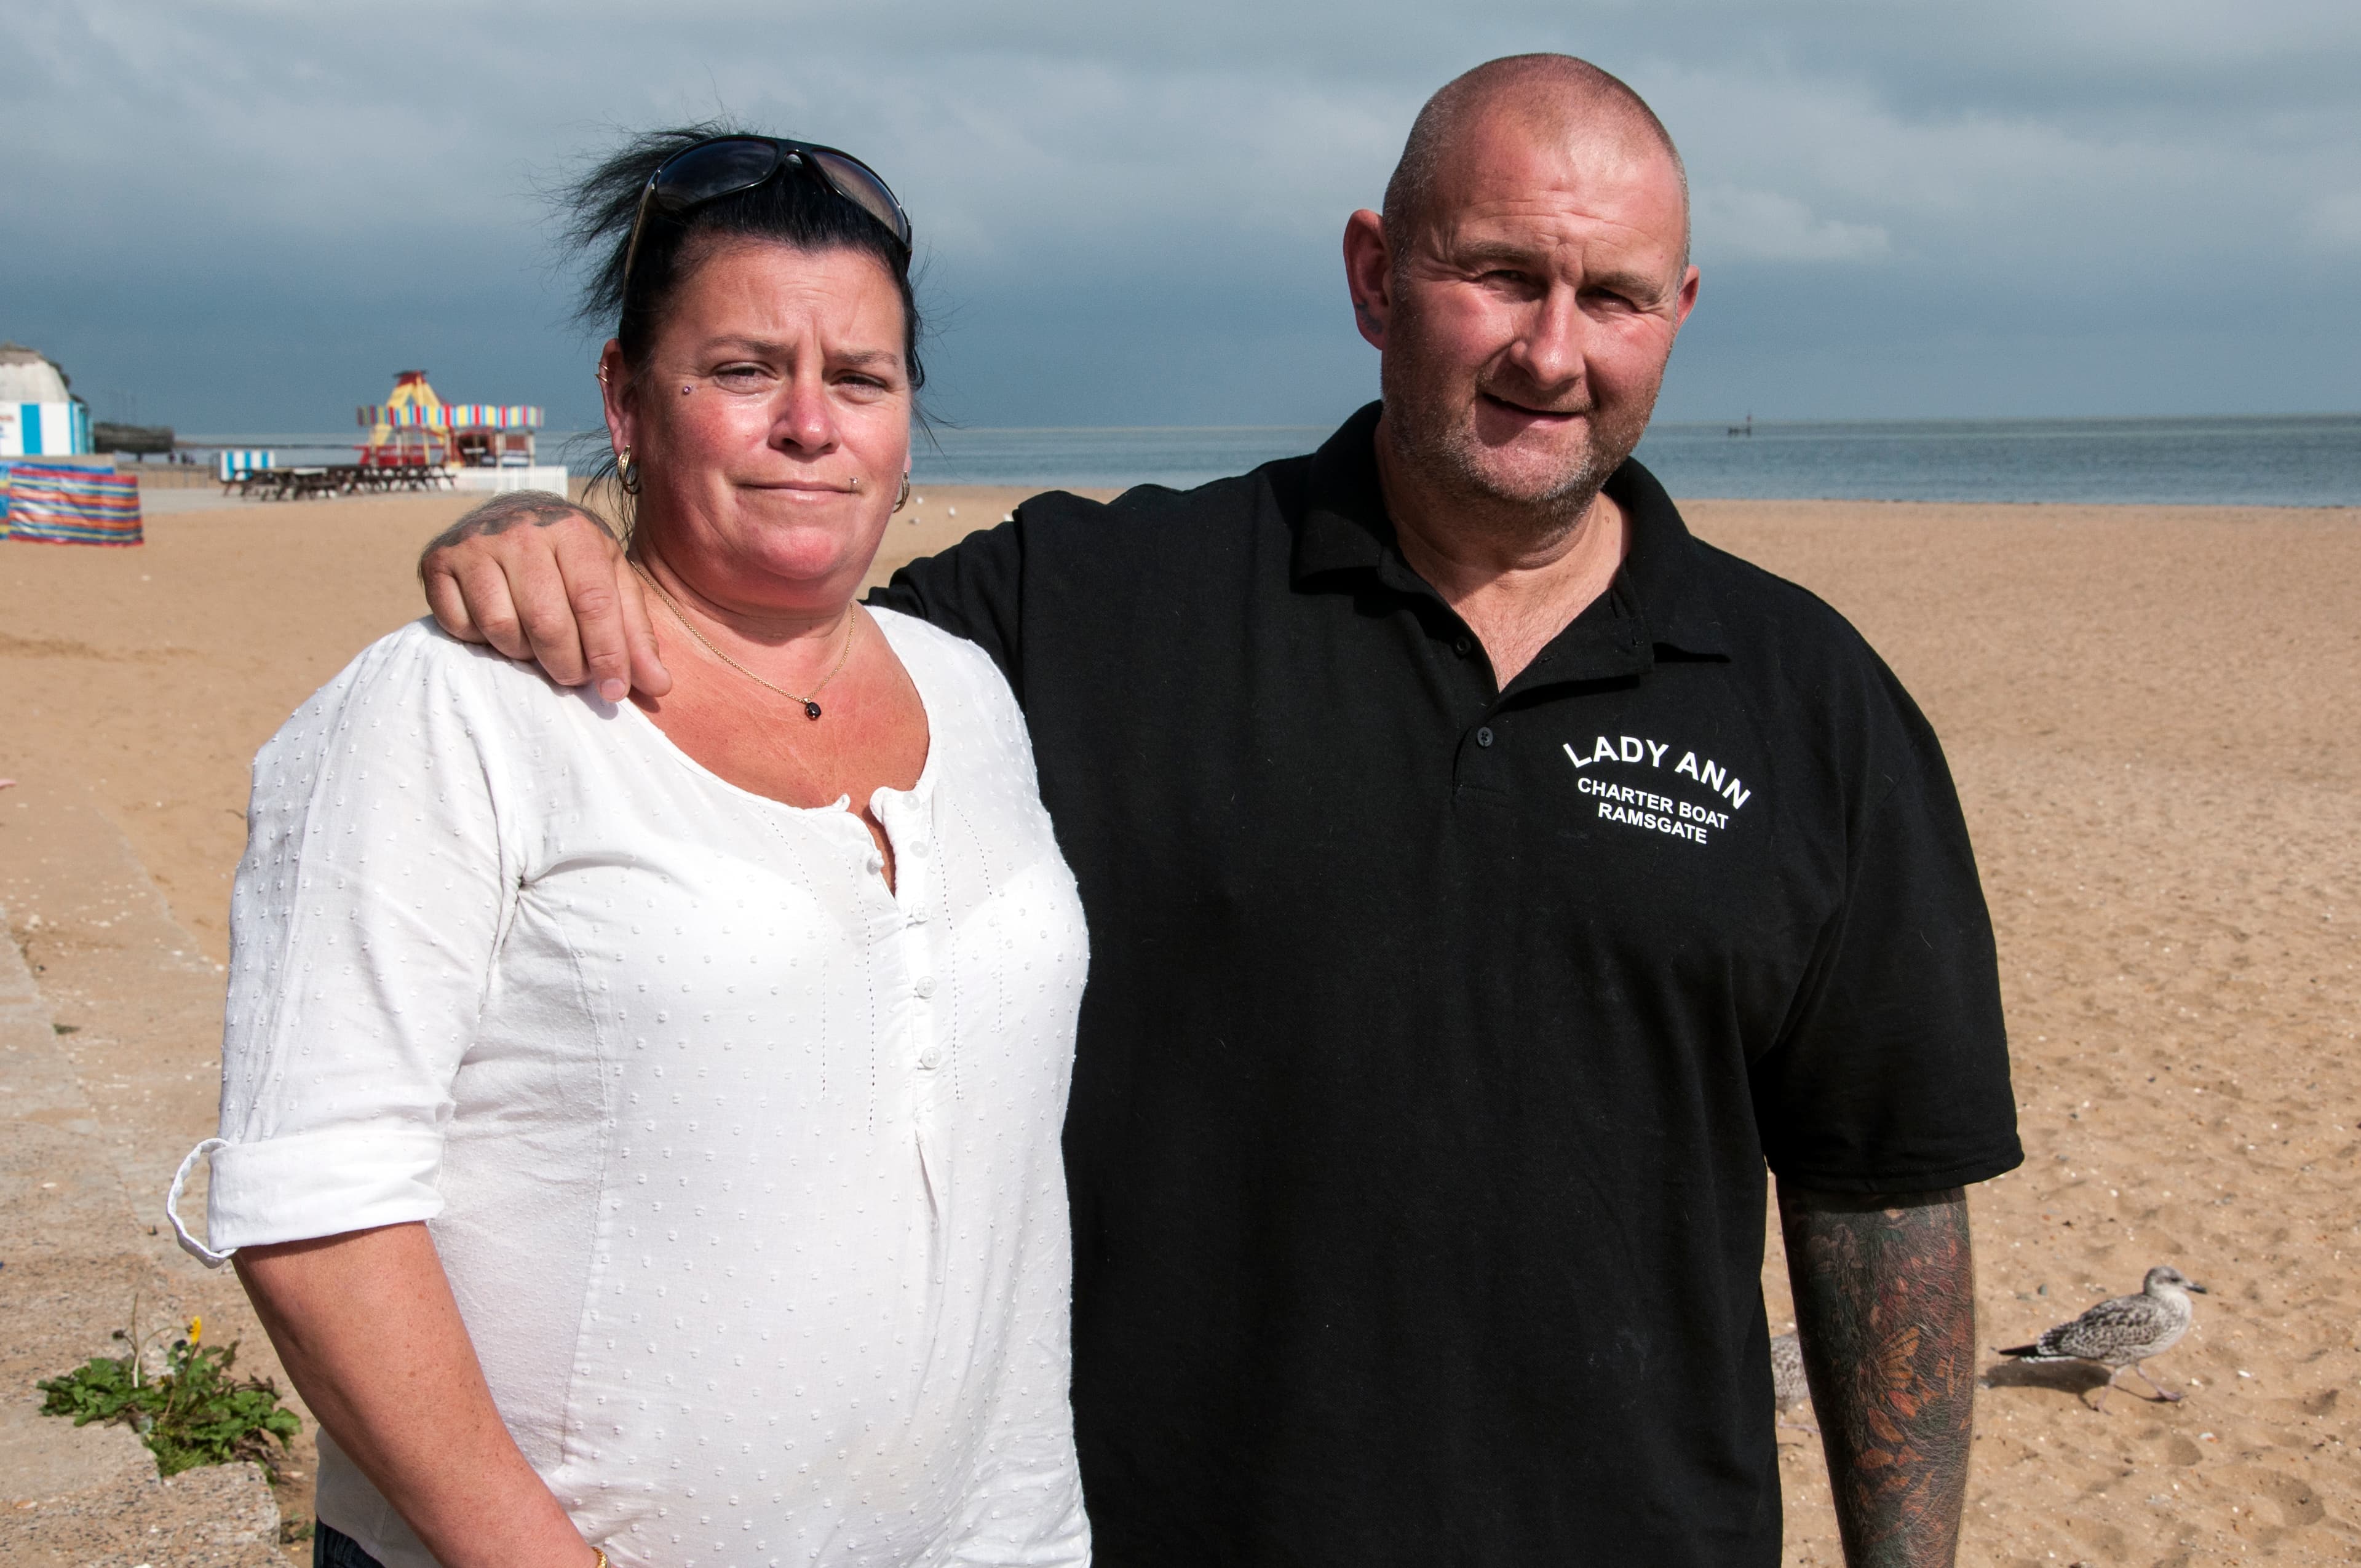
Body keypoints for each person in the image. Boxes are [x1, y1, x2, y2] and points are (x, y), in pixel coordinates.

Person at [420, 57, 2022, 1567]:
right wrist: (559, 542)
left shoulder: (1811, 703)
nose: (1554, 348)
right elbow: (763, 647)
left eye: (1611, 296)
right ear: (1372, 274)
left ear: (1677, 313)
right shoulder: (1099, 608)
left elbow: (1883, 1198)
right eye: (1498, 275)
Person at [170, 131, 1093, 1568]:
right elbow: (316, 1203)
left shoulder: (968, 693)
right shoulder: (455, 708)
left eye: (861, 378)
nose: (810, 423)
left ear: (909, 418)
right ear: (624, 398)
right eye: (742, 371)